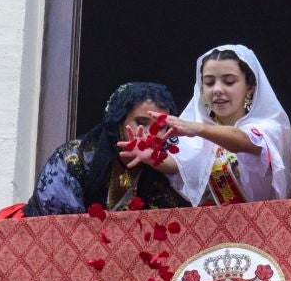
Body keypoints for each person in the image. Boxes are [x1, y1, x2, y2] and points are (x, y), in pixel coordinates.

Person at [23, 81, 190, 216]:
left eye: (161, 127)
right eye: (141, 123)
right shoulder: (73, 159)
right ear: (118, 123)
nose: (150, 134)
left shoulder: (167, 163)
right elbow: (59, 228)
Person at [158, 45, 291, 206]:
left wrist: (199, 129)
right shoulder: (200, 133)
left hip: (264, 226)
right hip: (216, 228)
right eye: (209, 82)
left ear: (250, 87)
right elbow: (178, 166)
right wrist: (150, 155)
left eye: (228, 82)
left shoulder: (269, 127)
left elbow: (242, 142)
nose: (217, 90)